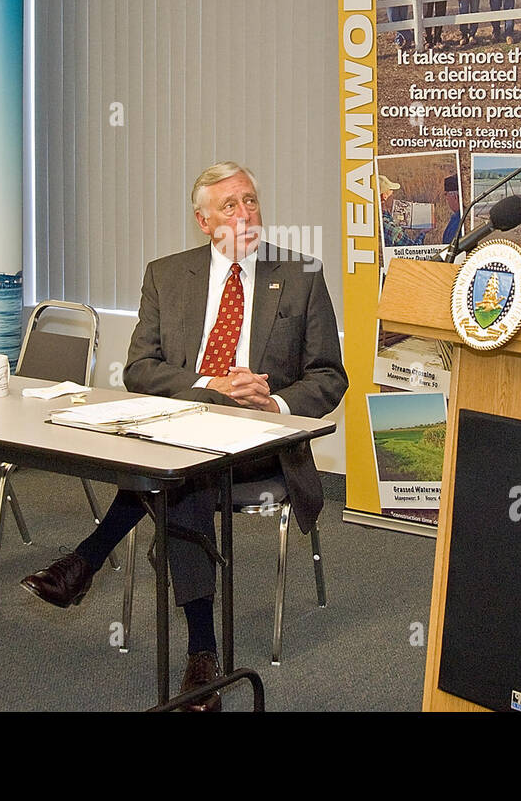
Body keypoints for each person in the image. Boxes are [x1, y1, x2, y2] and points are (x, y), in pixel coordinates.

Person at [21, 162, 347, 710]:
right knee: (181, 475)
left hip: (262, 442)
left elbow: (329, 376)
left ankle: (88, 561)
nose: (244, 214)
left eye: (250, 201)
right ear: (202, 221)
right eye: (229, 206)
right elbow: (139, 369)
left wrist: (275, 401)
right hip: (185, 428)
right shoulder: (166, 275)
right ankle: (203, 653)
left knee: (170, 476)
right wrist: (210, 385)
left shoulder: (301, 275)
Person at [378, 174, 425, 247]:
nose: (393, 195)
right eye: (391, 191)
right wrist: (423, 233)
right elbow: (412, 250)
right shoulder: (390, 227)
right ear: (384, 196)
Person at [441, 174, 461, 244]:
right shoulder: (458, 217)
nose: (446, 198)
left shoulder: (457, 222)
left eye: (446, 194)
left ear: (455, 197)